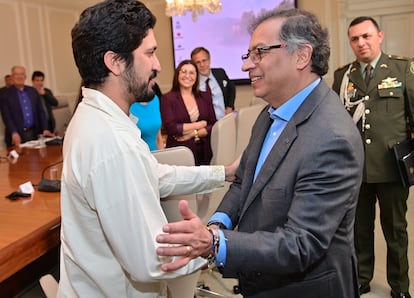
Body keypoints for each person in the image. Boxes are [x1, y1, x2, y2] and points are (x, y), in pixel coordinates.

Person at [156, 8, 365, 298]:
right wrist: (217, 225)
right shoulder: (269, 113)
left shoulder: (331, 137)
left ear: (302, 56)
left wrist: (216, 243)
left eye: (260, 53)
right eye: (248, 55)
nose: (246, 66)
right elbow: (244, 182)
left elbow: (301, 244)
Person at [60, 1, 238, 297]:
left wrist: (225, 173)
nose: (157, 65)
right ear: (115, 62)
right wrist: (217, 244)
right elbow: (155, 259)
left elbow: (154, 175)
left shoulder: (97, 119)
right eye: (150, 53)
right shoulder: (110, 142)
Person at [332, 16, 414, 298]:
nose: (360, 43)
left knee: (396, 231)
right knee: (359, 230)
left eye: (366, 36)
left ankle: (400, 286)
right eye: (354, 39)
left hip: (392, 167)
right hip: (356, 168)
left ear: (379, 36)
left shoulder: (403, 70)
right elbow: (336, 122)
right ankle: (362, 277)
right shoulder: (343, 76)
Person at [161, 59, 217, 165]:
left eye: (192, 72)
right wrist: (201, 124)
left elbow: (213, 124)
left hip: (205, 152)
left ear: (196, 77)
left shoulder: (204, 97)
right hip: (180, 154)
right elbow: (173, 129)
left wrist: (193, 134)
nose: (187, 76)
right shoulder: (167, 98)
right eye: (184, 72)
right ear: (177, 74)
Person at [0, 65, 54, 148]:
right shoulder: (5, 94)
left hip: (34, 133)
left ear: (25, 77)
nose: (19, 77)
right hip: (16, 136)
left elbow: (40, 111)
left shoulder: (32, 91)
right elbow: (6, 116)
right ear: (12, 77)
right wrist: (14, 132)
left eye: (22, 74)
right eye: (16, 74)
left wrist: (45, 128)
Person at [191, 46, 236, 119]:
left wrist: (230, 107)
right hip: (206, 125)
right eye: (198, 62)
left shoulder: (220, 73)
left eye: (204, 60)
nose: (202, 65)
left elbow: (231, 87)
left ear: (209, 60)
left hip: (225, 120)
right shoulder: (192, 83)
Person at [129, 82, 164, 150]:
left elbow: (158, 136)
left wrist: (163, 155)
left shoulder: (155, 99)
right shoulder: (129, 103)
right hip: (139, 155)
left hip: (156, 154)